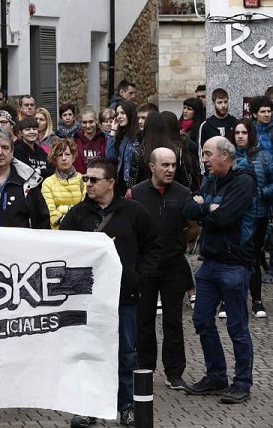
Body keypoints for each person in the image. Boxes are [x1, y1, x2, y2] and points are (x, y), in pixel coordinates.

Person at [61, 158, 158, 427]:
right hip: (89, 300)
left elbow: (153, 247)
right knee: (88, 352)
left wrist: (138, 278)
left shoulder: (134, 212)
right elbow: (63, 251)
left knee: (127, 353)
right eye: (85, 179)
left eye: (93, 179)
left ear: (111, 183)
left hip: (124, 297)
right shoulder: (77, 215)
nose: (88, 184)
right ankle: (88, 406)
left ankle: (126, 405)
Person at [183, 136, 255, 404]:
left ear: (225, 155)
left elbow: (224, 217)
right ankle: (216, 376)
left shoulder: (244, 181)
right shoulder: (211, 179)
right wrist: (205, 207)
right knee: (201, 320)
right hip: (210, 264)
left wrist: (205, 211)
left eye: (208, 153)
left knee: (237, 326)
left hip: (235, 264)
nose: (204, 159)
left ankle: (242, 383)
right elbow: (188, 208)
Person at [127, 147, 193, 391]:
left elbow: (194, 226)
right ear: (152, 166)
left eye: (174, 165)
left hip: (174, 264)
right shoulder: (136, 193)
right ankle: (145, 367)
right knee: (143, 319)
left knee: (173, 321)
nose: (171, 170)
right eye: (165, 165)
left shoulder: (183, 193)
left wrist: (180, 243)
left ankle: (174, 372)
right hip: (144, 265)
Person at [231, 119, 272, 318]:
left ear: (251, 135)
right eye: (237, 132)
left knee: (254, 257)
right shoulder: (228, 156)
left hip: (258, 214)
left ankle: (256, 300)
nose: (240, 136)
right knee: (232, 258)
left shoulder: (264, 156)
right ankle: (228, 300)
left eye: (244, 132)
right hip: (234, 215)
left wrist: (263, 193)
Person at [40, 139, 85, 230]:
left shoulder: (83, 179)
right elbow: (51, 212)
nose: (64, 158)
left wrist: (60, 208)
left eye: (67, 154)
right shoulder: (48, 183)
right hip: (58, 232)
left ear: (73, 157)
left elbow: (85, 209)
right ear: (55, 159)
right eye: (60, 155)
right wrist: (70, 213)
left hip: (81, 230)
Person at [128, 113, 176, 190]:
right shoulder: (175, 150)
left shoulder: (139, 153)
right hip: (173, 193)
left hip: (145, 194)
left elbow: (132, 182)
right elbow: (186, 180)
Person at [106, 100, 140, 196]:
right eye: (117, 114)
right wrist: (113, 131)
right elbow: (110, 157)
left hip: (134, 183)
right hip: (121, 182)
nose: (119, 116)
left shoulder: (139, 136)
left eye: (123, 113)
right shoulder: (122, 135)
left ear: (130, 114)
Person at [73, 107, 108, 174]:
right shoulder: (74, 142)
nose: (88, 126)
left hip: (100, 181)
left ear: (96, 121)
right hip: (81, 181)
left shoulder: (105, 140)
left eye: (91, 122)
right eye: (84, 122)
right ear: (80, 123)